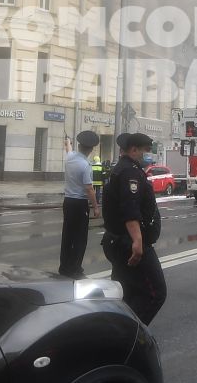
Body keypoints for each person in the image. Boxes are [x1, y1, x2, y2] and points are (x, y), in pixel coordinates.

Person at [100, 132, 166, 323]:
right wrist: (137, 241)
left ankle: (117, 333)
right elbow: (130, 208)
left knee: (127, 293)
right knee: (156, 293)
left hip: (117, 240)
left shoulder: (124, 169)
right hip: (130, 243)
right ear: (133, 150)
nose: (149, 154)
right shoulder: (130, 173)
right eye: (146, 150)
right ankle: (133, 336)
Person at [59, 130, 99, 279]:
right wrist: (95, 206)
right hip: (80, 204)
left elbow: (68, 150)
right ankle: (75, 268)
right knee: (80, 238)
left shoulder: (69, 158)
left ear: (79, 145)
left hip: (68, 202)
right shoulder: (85, 165)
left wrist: (67, 142)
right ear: (91, 149)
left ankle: (64, 267)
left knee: (67, 235)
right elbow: (89, 189)